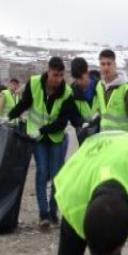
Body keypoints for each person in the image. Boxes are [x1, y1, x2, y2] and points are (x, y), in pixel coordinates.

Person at [7, 57, 82, 229]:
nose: (58, 79)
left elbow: (64, 121)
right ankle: (43, 214)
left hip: (55, 137)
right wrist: (7, 117)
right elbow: (24, 105)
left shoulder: (66, 93)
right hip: (37, 139)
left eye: (61, 76)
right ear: (48, 72)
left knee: (56, 175)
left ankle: (54, 213)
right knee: (42, 171)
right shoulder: (34, 84)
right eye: (55, 75)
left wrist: (82, 124)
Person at [96, 49, 128, 136]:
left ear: (115, 65)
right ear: (99, 66)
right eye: (103, 64)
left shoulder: (126, 90)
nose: (106, 67)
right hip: (106, 140)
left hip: (123, 141)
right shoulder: (99, 87)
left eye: (109, 64)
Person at [70, 57, 98, 121]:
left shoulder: (101, 88)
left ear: (87, 73)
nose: (78, 82)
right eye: (76, 79)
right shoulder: (71, 93)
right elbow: (74, 118)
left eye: (80, 78)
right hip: (84, 130)